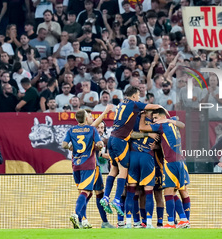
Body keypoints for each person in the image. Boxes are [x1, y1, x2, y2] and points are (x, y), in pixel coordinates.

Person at [99, 86, 166, 216]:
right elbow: (150, 106)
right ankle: (117, 199)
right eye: (139, 96)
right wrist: (161, 108)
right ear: (134, 96)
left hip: (112, 138)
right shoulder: (134, 104)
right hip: (121, 140)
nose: (139, 98)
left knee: (114, 169)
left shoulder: (120, 104)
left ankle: (106, 196)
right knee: (123, 171)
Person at [139, 108, 190, 228]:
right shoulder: (172, 123)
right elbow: (181, 124)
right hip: (180, 162)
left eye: (155, 118)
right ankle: (183, 219)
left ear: (162, 117)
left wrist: (142, 116)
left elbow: (142, 127)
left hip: (171, 162)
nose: (154, 121)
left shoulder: (161, 126)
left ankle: (172, 222)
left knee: (168, 193)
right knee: (173, 192)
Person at [62, 109, 103, 229]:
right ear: (86, 118)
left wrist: (70, 147)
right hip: (88, 164)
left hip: (76, 164)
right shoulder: (92, 129)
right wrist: (100, 145)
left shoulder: (71, 130)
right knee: (85, 192)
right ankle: (76, 214)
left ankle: (83, 220)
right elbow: (99, 144)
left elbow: (64, 145)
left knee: (85, 192)